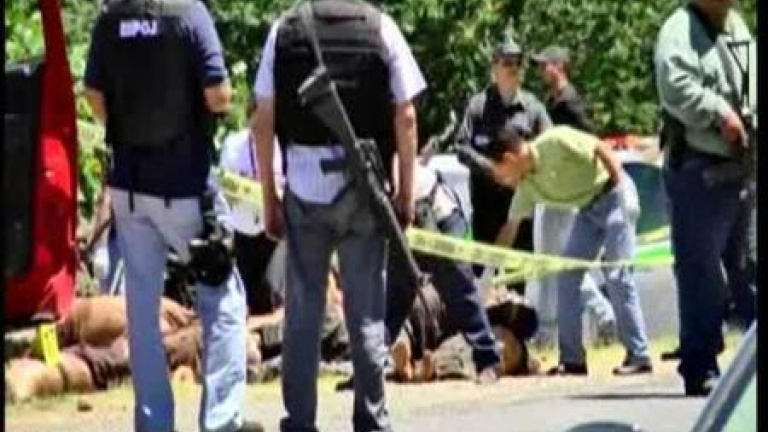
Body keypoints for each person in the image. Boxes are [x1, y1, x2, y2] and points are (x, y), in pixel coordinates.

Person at [83, 1, 263, 431]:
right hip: (185, 185)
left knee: (141, 310)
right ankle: (221, 420)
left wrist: (128, 128)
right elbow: (219, 95)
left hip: (130, 187)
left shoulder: (111, 17)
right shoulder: (188, 13)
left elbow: (93, 95)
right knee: (223, 296)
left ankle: (153, 422)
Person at [251, 0, 426, 430]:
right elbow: (406, 115)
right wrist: (406, 195)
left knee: (302, 314)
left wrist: (270, 197)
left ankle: (299, 421)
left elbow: (263, 119)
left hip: (304, 186)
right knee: (365, 312)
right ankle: (371, 417)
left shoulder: (284, 29)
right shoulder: (381, 27)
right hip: (362, 190)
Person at [490, 125, 653, 377]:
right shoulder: (527, 187)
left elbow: (601, 148)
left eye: (500, 174)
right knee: (566, 275)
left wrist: (621, 190)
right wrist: (489, 265)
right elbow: (510, 228)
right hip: (587, 210)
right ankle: (573, 360)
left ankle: (639, 355)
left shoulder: (555, 140)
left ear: (509, 159)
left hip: (613, 194)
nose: (502, 181)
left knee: (618, 276)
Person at [654, 0, 755, 396]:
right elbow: (674, 86)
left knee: (750, 269)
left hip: (743, 169)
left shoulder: (737, 27)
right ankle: (700, 365)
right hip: (700, 171)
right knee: (701, 274)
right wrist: (718, 112)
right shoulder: (679, 30)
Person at [529, 45, 616, 348]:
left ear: (559, 66)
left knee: (554, 262)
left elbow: (591, 140)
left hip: (564, 194)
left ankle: (554, 329)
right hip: (556, 189)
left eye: (545, 65)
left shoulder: (569, 102)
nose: (540, 71)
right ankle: (599, 315)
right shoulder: (554, 102)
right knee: (557, 262)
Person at [386, 161, 502, 384]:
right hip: (404, 223)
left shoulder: (385, 160)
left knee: (460, 292)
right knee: (394, 302)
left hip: (436, 215)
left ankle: (489, 360)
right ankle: (368, 372)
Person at [455, 36, 552, 294]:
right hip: (485, 209)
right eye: (507, 62)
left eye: (517, 62)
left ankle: (514, 319)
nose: (513, 67)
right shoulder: (478, 106)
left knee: (517, 282)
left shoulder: (533, 108)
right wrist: (493, 171)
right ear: (494, 67)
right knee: (482, 280)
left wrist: (525, 171)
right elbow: (461, 147)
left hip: (520, 208)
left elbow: (550, 147)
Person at [219, 99, 286, 316]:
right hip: (243, 229)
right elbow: (225, 182)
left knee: (272, 289)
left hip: (272, 230)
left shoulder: (282, 147)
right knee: (245, 292)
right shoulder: (234, 145)